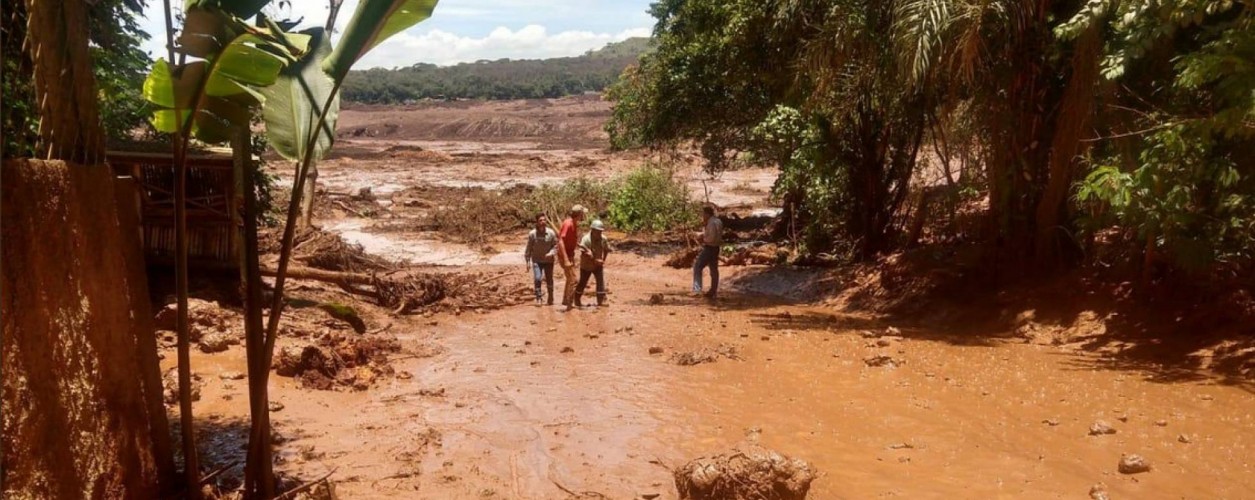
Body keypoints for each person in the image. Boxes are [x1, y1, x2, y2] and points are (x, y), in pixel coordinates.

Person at [575, 219, 611, 307]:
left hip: (598, 264)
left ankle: (601, 301)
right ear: (592, 230)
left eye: (600, 231)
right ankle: (576, 299)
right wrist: (594, 259)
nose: (599, 233)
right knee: (583, 282)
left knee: (600, 282)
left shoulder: (603, 239)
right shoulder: (586, 239)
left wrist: (603, 260)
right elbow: (583, 252)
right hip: (586, 265)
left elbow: (606, 249)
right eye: (597, 231)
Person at [556, 204, 586, 311]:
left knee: (570, 279)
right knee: (574, 280)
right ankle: (569, 304)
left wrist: (579, 246)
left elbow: (570, 240)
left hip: (570, 255)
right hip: (565, 256)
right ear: (579, 214)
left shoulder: (574, 224)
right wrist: (565, 259)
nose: (584, 215)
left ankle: (565, 299)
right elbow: (560, 241)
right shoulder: (568, 224)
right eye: (583, 213)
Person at [523, 213, 557, 305]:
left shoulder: (551, 233)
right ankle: (538, 298)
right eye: (540, 220)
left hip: (549, 261)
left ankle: (551, 297)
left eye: (544, 220)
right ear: (537, 222)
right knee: (538, 278)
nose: (543, 222)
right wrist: (527, 262)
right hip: (537, 261)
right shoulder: (532, 234)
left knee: (549, 279)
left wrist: (551, 253)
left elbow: (556, 246)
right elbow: (528, 249)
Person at [692, 205, 722, 299]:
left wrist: (703, 238)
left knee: (697, 266)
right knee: (714, 270)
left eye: (703, 214)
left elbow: (711, 238)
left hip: (710, 247)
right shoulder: (718, 221)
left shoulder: (711, 223)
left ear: (707, 214)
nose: (703, 216)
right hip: (716, 248)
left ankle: (697, 289)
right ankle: (713, 291)